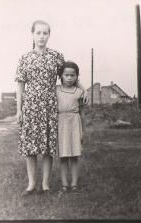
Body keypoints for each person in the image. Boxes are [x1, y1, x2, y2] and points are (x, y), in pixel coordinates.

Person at [15, 20, 87, 195]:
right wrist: (19, 109)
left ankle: (45, 184)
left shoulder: (55, 56)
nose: (41, 36)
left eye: (45, 33)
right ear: (32, 34)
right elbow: (20, 85)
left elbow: (69, 74)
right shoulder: (25, 58)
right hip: (31, 106)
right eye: (38, 33)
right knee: (30, 147)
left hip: (49, 105)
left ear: (49, 35)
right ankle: (31, 184)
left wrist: (83, 89)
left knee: (47, 146)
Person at [56, 61, 85, 194]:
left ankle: (74, 183)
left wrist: (82, 131)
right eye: (66, 75)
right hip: (60, 123)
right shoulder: (56, 90)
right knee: (63, 156)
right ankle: (64, 184)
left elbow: (82, 113)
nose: (69, 78)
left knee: (74, 156)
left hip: (74, 123)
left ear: (77, 77)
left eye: (72, 75)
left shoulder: (79, 92)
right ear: (61, 76)